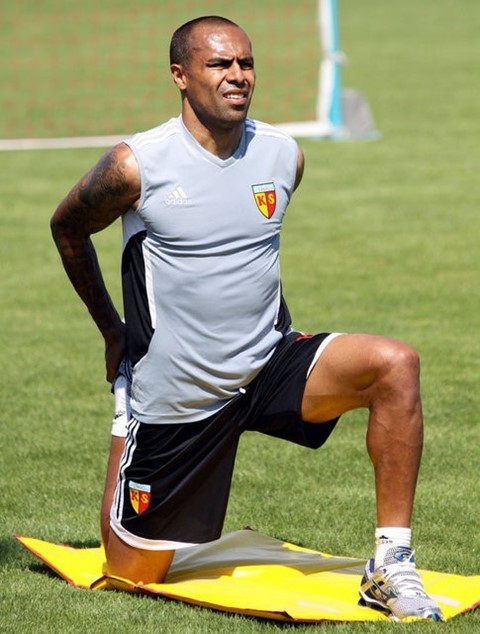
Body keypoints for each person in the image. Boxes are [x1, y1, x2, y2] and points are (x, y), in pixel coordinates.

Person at [50, 16, 444, 622]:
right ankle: (129, 415)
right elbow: (67, 228)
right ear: (180, 76)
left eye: (246, 63)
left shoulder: (284, 155)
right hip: (179, 394)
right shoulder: (136, 165)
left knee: (395, 364)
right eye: (219, 64)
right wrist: (112, 331)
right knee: (130, 575)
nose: (237, 75)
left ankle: (391, 563)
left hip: (267, 364)